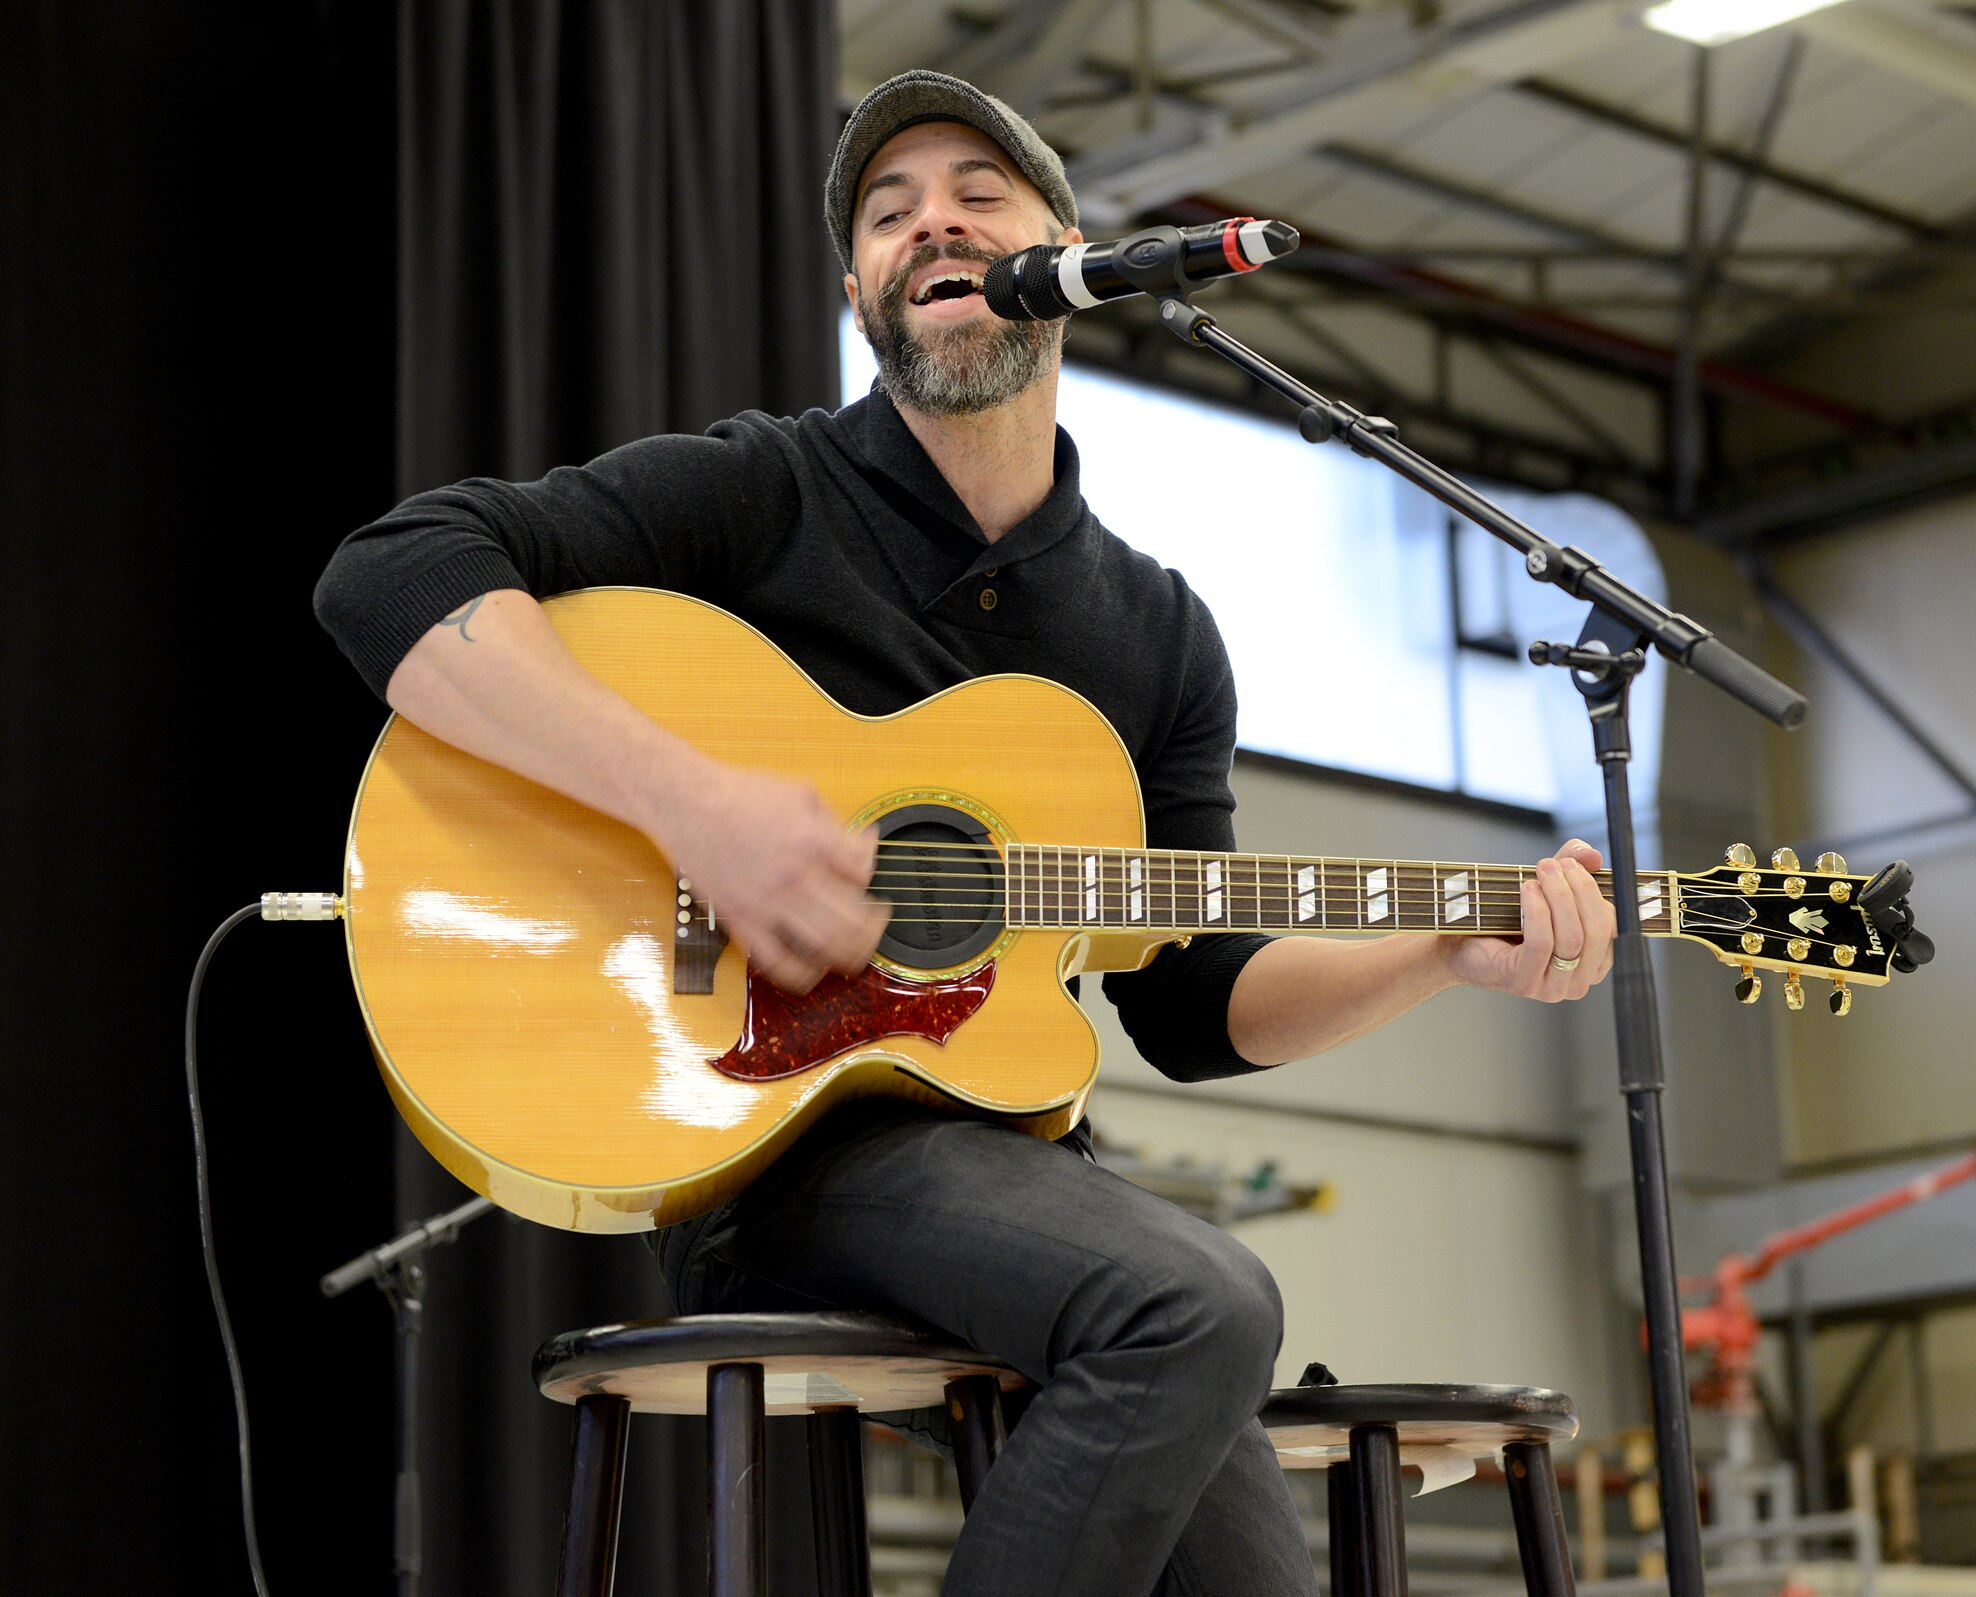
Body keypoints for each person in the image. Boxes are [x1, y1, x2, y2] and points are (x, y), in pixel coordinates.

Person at [315, 68, 1616, 1597]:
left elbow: (1191, 1003)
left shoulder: (1158, 631)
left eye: (976, 192)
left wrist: (1445, 951)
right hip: (767, 1155)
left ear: (1063, 249)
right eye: (887, 210)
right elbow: (391, 572)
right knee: (1197, 1303)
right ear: (863, 285)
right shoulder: (764, 491)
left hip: (1020, 1177)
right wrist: (696, 804)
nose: (931, 218)